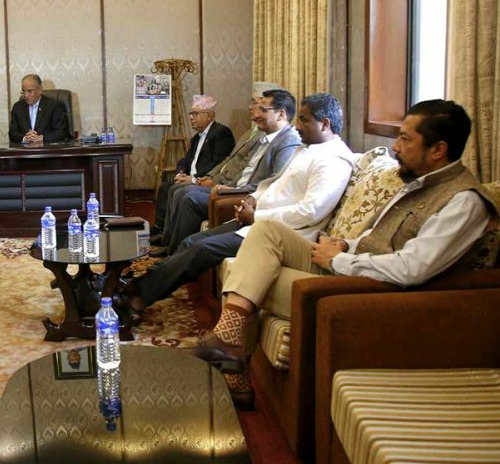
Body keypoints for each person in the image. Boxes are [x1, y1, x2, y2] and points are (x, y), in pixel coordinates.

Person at [193, 99, 497, 409]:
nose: (395, 147)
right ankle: (229, 343)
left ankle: (232, 356)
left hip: (371, 289)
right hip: (352, 265)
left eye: (405, 139)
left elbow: (412, 268)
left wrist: (338, 260)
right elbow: (378, 236)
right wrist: (345, 245)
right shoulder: (419, 182)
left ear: (438, 150)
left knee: (250, 276)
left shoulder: (465, 202)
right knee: (265, 231)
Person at [117, 93, 354, 325]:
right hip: (256, 221)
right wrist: (251, 199)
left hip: (281, 233)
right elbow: (272, 183)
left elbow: (310, 211)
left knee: (200, 248)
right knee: (191, 241)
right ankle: (138, 287)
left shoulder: (334, 160)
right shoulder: (308, 148)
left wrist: (256, 216)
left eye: (303, 120)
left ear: (325, 124)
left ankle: (137, 296)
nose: (297, 125)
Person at [158, 89, 302, 251]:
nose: (255, 112)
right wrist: (209, 178)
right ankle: (171, 246)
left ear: (281, 114)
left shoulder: (288, 141)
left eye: (262, 109)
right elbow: (233, 162)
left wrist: (229, 188)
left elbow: (272, 184)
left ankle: (174, 251)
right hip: (233, 187)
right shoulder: (263, 137)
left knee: (188, 197)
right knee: (177, 190)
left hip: (242, 195)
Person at [151, 95, 236, 236]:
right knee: (165, 187)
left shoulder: (221, 132)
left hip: (205, 180)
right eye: (191, 114)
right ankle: (160, 227)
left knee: (176, 189)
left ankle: (169, 234)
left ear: (209, 116)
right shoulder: (196, 137)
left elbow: (218, 162)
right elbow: (185, 160)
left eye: (196, 114)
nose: (191, 117)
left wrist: (194, 178)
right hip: (191, 178)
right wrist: (180, 173)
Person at [8, 74, 69, 144]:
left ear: (40, 90)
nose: (26, 95)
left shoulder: (53, 105)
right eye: (23, 91)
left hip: (47, 148)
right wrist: (25, 138)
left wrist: (41, 138)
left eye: (30, 91)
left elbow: (61, 132)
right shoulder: (17, 107)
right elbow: (12, 133)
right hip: (25, 149)